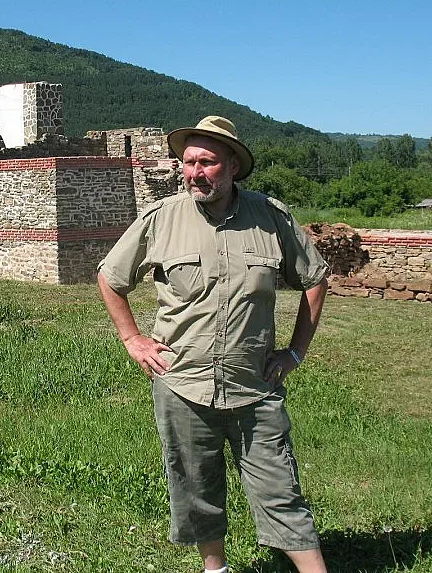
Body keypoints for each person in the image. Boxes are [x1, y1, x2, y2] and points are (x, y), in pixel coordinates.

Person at [97, 115, 330, 573]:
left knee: (280, 489)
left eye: (207, 162)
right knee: (196, 487)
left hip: (254, 385)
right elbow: (110, 276)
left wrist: (296, 351)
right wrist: (133, 338)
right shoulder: (161, 219)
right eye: (188, 162)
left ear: (233, 166)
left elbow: (316, 278)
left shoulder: (271, 218)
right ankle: (215, 568)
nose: (195, 172)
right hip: (182, 382)